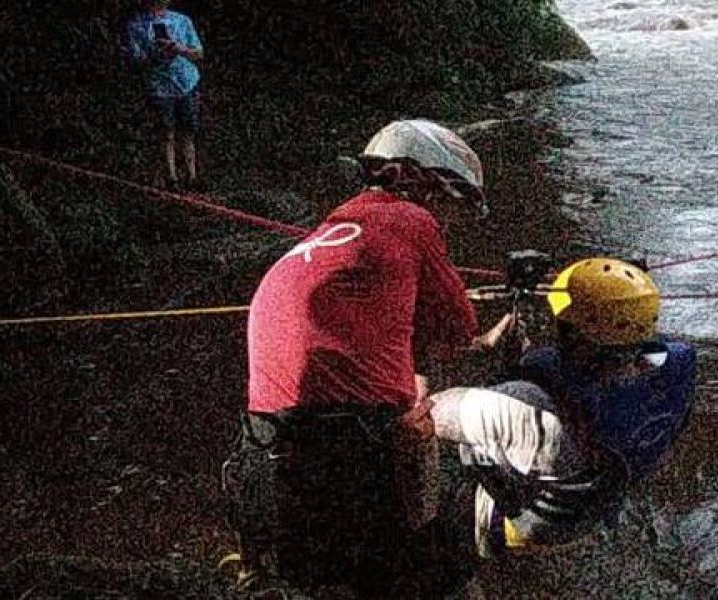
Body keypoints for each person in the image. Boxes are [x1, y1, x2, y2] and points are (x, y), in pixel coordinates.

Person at [223, 119, 509, 597]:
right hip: (345, 449)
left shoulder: (332, 229)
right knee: (445, 573)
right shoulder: (410, 221)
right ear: (417, 181)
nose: (448, 221)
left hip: (264, 448)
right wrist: (482, 342)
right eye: (450, 203)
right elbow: (459, 327)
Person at [429, 258, 698, 562]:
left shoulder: (526, 405)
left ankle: (460, 556)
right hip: (596, 507)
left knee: (442, 513)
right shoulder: (679, 365)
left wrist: (481, 354)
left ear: (572, 336)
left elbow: (426, 416)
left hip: (534, 526)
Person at [122, 0, 204, 188]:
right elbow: (134, 61)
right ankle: (171, 177)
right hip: (158, 86)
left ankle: (192, 176)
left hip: (186, 82)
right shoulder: (136, 25)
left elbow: (198, 52)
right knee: (166, 131)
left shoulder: (182, 20)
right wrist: (154, 54)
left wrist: (179, 49)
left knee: (188, 130)